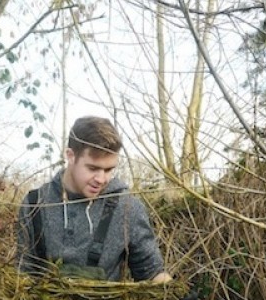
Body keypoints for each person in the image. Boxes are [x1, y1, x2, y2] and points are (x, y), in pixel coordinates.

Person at [16, 115, 173, 285]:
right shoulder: (34, 204)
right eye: (93, 168)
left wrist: (175, 294)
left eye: (108, 170)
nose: (101, 179)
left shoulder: (128, 207)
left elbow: (151, 271)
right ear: (70, 156)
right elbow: (23, 275)